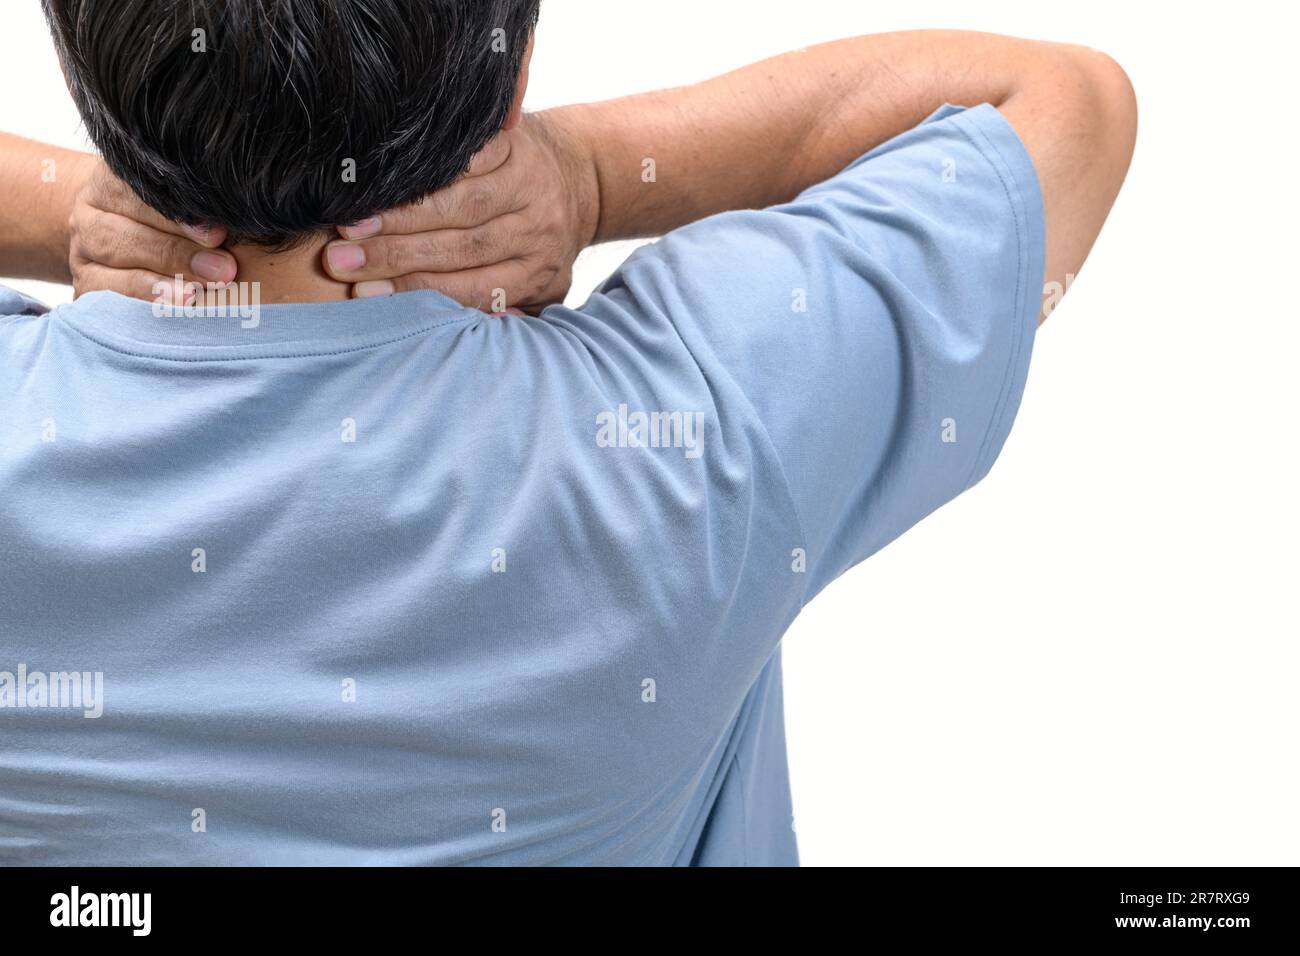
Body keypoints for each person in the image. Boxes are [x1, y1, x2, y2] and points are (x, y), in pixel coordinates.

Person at [0, 1, 1136, 865]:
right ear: (511, 78)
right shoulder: (700, 430)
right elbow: (1061, 102)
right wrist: (587, 176)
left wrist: (78, 210)